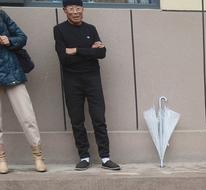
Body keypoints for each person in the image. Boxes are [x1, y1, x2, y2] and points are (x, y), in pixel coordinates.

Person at [54, 0, 120, 171]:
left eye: (78, 8)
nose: (75, 12)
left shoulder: (90, 28)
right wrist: (89, 51)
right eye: (71, 9)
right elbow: (63, 57)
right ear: (64, 10)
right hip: (72, 80)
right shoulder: (59, 30)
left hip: (92, 79)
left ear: (83, 9)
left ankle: (105, 158)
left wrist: (76, 50)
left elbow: (101, 53)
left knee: (99, 118)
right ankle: (84, 156)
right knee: (77, 120)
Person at [0, 9, 46, 174]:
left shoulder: (1, 14)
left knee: (27, 117)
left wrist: (9, 40)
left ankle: (38, 156)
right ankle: (1, 159)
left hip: (11, 71)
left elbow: (22, 37)